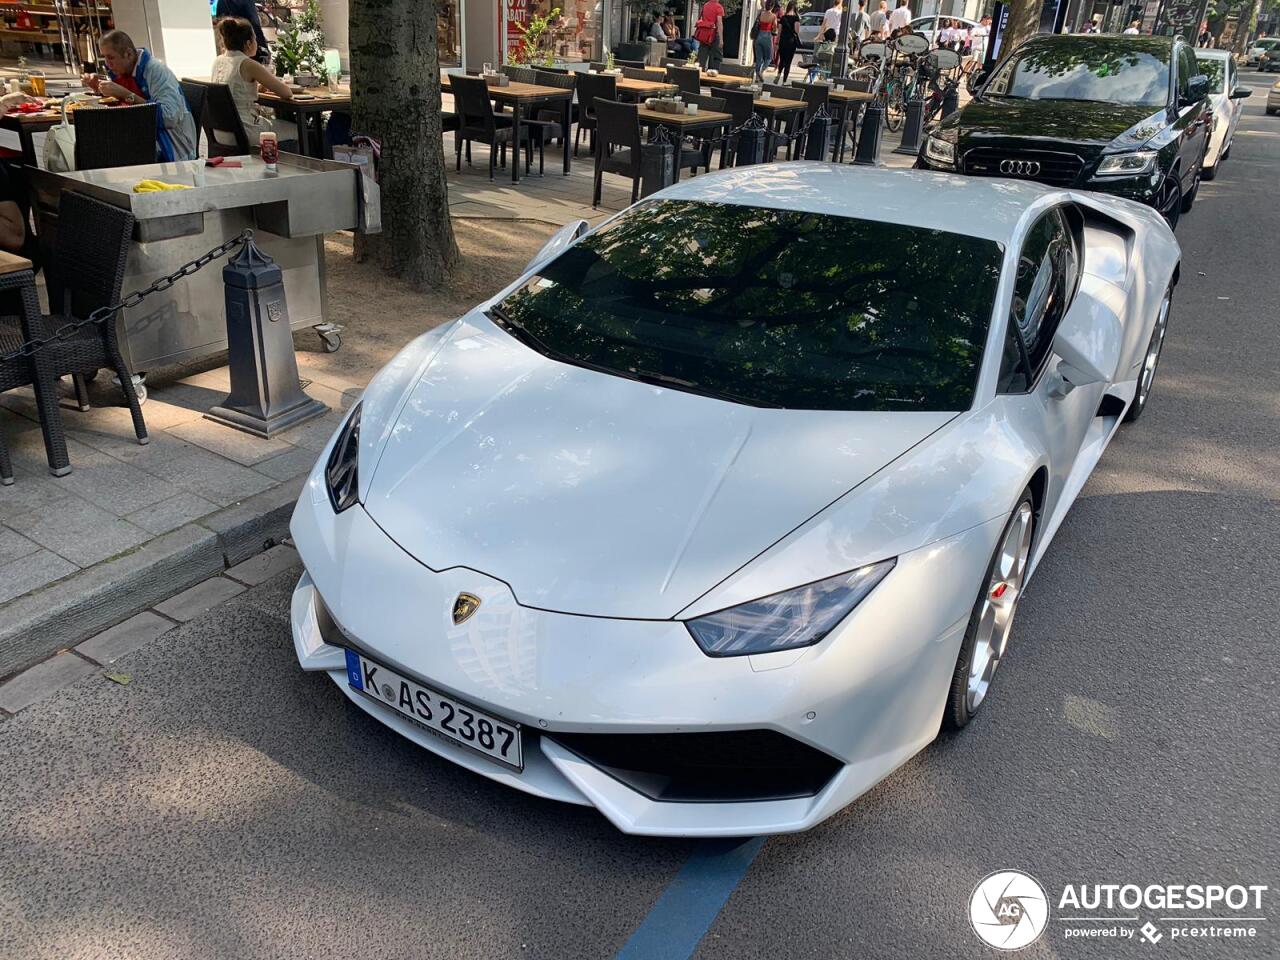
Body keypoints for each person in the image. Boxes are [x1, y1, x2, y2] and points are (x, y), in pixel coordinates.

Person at [81, 30, 197, 161]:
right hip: (141, 136)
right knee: (92, 145)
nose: (107, 64)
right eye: (104, 57)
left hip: (173, 146)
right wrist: (99, 88)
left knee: (104, 152)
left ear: (129, 54)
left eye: (111, 57)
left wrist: (125, 95)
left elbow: (168, 117)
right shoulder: (123, 71)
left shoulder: (156, 71)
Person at [211, 17, 298, 147]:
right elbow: (286, 92)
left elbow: (234, 91)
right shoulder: (247, 64)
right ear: (248, 43)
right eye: (255, 38)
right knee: (298, 130)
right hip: (246, 131)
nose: (257, 42)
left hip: (221, 133)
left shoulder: (218, 61)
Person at [214, 0, 271, 65]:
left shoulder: (222, 2)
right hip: (246, 50)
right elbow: (255, 24)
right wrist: (263, 48)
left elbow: (221, 26)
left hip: (228, 51)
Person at [694, 0, 725, 69]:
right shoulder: (719, 7)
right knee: (716, 57)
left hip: (704, 34)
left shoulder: (705, 5)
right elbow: (719, 23)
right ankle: (712, 74)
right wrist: (721, 40)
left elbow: (701, 18)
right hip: (714, 34)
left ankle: (699, 74)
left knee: (702, 55)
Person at [775, 1, 801, 81]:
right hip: (791, 42)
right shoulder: (796, 18)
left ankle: (779, 74)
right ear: (796, 8)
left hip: (783, 41)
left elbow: (779, 31)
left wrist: (777, 43)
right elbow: (797, 31)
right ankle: (784, 81)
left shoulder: (783, 18)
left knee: (782, 60)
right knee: (788, 62)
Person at [752, 1, 778, 82]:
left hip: (759, 37)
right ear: (772, 7)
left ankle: (756, 77)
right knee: (769, 57)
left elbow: (758, 24)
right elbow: (775, 28)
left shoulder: (761, 14)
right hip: (767, 37)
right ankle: (762, 71)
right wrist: (774, 30)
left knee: (759, 58)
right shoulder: (773, 16)